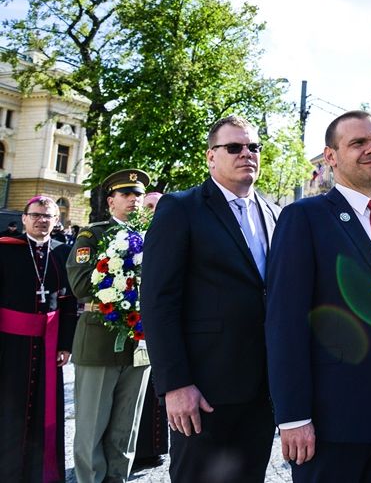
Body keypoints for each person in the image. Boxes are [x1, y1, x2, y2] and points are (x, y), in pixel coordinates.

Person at [266, 111, 371, 483]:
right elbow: (284, 323)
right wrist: (293, 416)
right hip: (330, 417)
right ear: (331, 156)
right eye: (358, 143)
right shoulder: (304, 218)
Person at [143, 115, 281, 482]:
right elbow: (159, 301)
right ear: (210, 157)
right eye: (234, 147)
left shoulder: (276, 214)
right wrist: (174, 384)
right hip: (203, 390)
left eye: (254, 147)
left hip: (263, 390)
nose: (246, 154)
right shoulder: (181, 208)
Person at [66, 170, 153, 483]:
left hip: (139, 344)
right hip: (100, 340)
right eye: (126, 195)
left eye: (138, 196)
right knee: (92, 428)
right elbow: (79, 284)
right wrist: (124, 287)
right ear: (111, 201)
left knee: (125, 429)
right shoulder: (94, 235)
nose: (133, 201)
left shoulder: (153, 236)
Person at [0, 196, 76, 482]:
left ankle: (36, 472)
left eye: (48, 216)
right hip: (9, 345)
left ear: (56, 221)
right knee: (9, 407)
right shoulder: (6, 250)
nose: (42, 220)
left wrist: (66, 345)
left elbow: (68, 303)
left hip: (49, 346)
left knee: (43, 411)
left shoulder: (62, 253)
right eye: (36, 215)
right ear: (24, 218)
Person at [133, 190, 168, 471]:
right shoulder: (128, 238)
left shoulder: (174, 231)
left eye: (157, 206)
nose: (153, 211)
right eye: (148, 206)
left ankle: (154, 446)